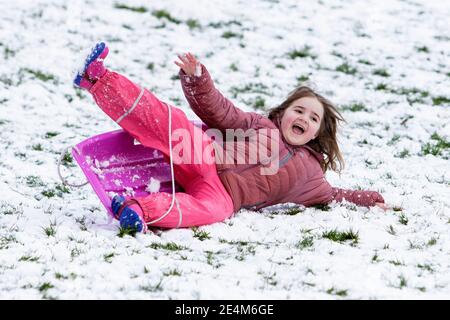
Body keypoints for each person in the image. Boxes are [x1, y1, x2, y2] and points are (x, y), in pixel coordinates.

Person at [73, 42, 387, 233]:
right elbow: (221, 113)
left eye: (313, 118)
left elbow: (334, 195)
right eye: (299, 110)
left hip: (225, 196)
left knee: (213, 213)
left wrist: (370, 199)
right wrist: (198, 80)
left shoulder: (310, 175)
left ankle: (138, 211)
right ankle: (98, 79)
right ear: (283, 113)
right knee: (175, 126)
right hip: (208, 158)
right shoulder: (262, 126)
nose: (304, 118)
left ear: (319, 132)